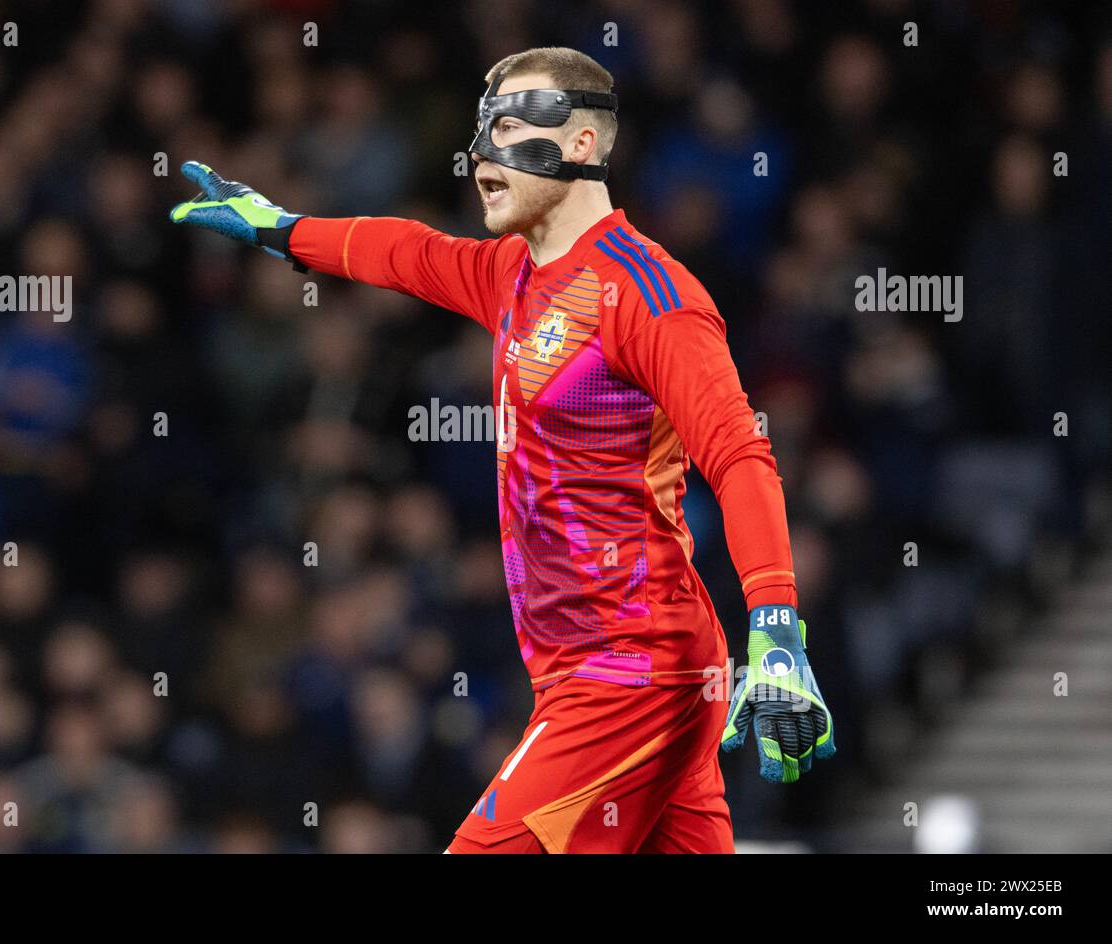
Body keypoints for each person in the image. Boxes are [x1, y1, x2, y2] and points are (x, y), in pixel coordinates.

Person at [170, 46, 834, 854]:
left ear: (583, 144)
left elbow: (739, 454)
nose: (484, 151)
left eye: (513, 124)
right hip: (614, 667)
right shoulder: (510, 274)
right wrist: (281, 229)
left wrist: (776, 624)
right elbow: (405, 252)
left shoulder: (650, 296)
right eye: (482, 130)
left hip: (630, 667)